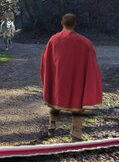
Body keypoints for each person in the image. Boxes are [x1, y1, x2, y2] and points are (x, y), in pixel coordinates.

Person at [40, 13, 103, 142]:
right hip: (76, 81)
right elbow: (92, 64)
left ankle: (52, 126)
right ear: (75, 24)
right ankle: (76, 133)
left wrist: (49, 78)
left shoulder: (53, 40)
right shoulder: (85, 43)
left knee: (54, 100)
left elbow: (46, 61)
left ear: (62, 23)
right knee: (78, 105)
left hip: (58, 80)